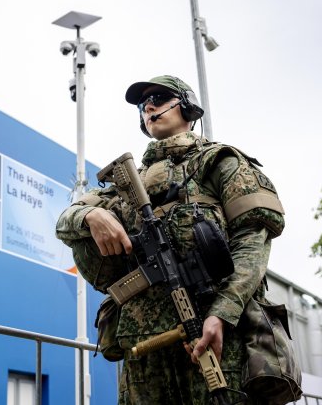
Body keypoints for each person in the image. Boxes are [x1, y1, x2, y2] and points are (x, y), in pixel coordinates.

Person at [56, 75, 285, 404]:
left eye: (159, 99)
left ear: (188, 107)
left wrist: (221, 313)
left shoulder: (219, 162)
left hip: (216, 334)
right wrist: (91, 216)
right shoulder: (126, 185)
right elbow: (65, 221)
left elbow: (253, 242)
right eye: (143, 105)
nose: (149, 107)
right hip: (145, 349)